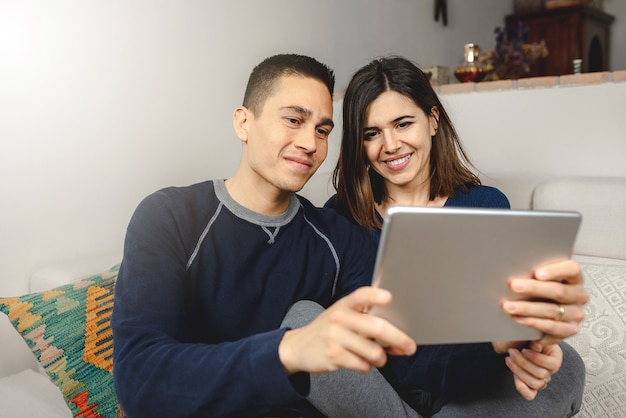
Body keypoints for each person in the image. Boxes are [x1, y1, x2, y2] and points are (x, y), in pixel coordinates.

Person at [111, 53, 586, 418]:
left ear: (432, 121)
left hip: (394, 387)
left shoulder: (332, 236)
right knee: (304, 318)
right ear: (243, 121)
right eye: (292, 120)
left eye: (322, 129)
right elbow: (139, 379)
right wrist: (293, 348)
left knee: (565, 365)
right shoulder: (170, 215)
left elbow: (409, 354)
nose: (309, 143)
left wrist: (501, 345)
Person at [324, 55, 588, 416]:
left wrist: (533, 346)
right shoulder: (342, 217)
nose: (390, 144)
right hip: (390, 389)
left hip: (477, 378)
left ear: (433, 121)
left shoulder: (486, 204)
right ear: (358, 142)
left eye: (403, 124)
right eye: (372, 133)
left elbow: (507, 314)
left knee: (566, 363)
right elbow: (376, 349)